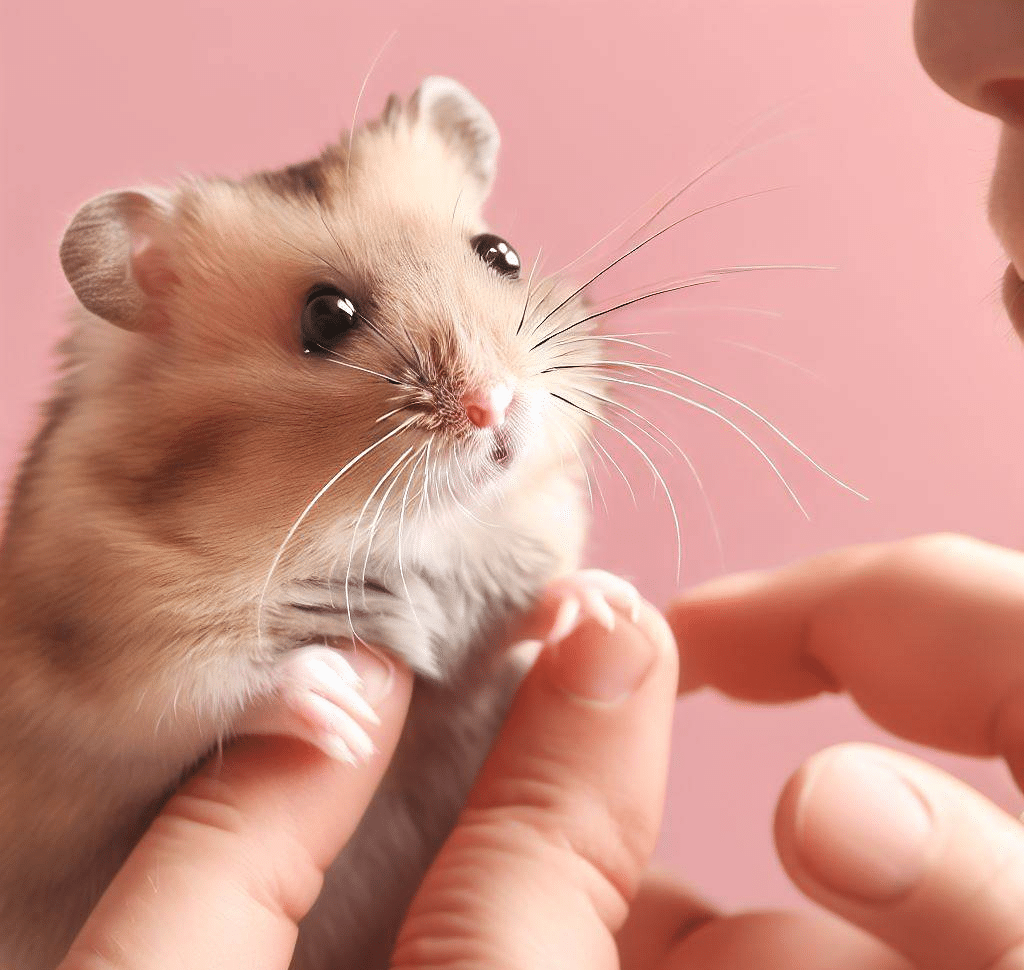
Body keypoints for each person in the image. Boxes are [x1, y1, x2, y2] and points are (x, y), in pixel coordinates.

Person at [56, 2, 1024, 967]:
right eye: (332, 318)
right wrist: (246, 690)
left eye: (494, 261)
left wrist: (535, 616)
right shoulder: (118, 538)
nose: (489, 392)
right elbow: (88, 688)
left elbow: (484, 622)